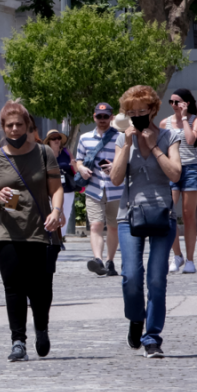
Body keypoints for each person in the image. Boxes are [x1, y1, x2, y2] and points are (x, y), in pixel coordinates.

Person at [0, 101, 65, 362]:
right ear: (3, 128)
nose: (14, 129)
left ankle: (41, 328)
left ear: (28, 126)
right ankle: (18, 341)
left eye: (19, 124)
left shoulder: (42, 154)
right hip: (6, 230)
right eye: (9, 125)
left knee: (40, 287)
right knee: (13, 286)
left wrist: (56, 211)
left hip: (40, 228)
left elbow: (56, 189)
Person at [109, 85, 182, 358]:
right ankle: (136, 318)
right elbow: (115, 179)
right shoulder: (121, 139)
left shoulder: (169, 135)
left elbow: (175, 174)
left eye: (142, 111)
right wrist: (127, 145)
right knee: (130, 277)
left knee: (156, 279)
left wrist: (153, 147)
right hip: (129, 215)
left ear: (153, 110)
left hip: (162, 213)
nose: (138, 116)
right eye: (132, 112)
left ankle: (152, 337)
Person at [162, 88, 197, 273]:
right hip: (172, 170)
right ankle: (177, 255)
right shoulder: (164, 123)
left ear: (186, 103)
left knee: (188, 216)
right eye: (171, 102)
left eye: (177, 102)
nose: (174, 105)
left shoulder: (196, 120)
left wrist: (185, 117)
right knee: (168, 214)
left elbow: (190, 140)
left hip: (191, 169)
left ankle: (190, 259)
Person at [76, 102, 121, 277]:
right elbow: (78, 160)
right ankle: (98, 260)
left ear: (111, 117)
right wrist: (81, 169)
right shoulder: (85, 138)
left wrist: (114, 166)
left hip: (115, 188)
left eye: (106, 116)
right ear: (94, 117)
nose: (102, 120)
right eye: (99, 116)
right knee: (95, 225)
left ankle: (110, 261)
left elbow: (126, 161)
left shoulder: (120, 137)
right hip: (94, 187)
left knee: (113, 226)